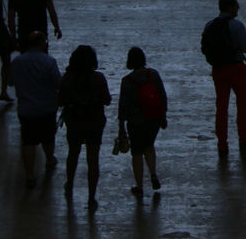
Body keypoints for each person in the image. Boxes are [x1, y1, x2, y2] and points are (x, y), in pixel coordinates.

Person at [201, 0, 246, 155]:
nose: (238, 7)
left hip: (219, 69)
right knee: (242, 105)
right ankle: (244, 138)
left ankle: (222, 144)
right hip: (236, 68)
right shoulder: (237, 26)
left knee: (221, 107)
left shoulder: (209, 25)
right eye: (236, 5)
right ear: (230, 7)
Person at [58, 44, 111, 206]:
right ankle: (91, 196)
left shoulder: (67, 78)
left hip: (74, 121)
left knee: (73, 154)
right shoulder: (99, 78)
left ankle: (70, 183)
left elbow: (60, 100)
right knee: (93, 159)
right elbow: (107, 100)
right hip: (94, 120)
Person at [11, 30, 61, 189]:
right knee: (48, 137)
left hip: (26, 108)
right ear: (42, 43)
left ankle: (29, 174)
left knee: (28, 141)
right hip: (46, 107)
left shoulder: (18, 62)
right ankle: (49, 159)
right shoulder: (49, 61)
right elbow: (57, 83)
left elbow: (11, 82)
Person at [118, 46, 167, 197]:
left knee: (137, 152)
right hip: (153, 119)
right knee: (149, 146)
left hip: (135, 122)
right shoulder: (153, 75)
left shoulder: (126, 81)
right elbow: (162, 97)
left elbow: (123, 107)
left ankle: (139, 186)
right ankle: (153, 174)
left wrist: (121, 127)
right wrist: (163, 116)